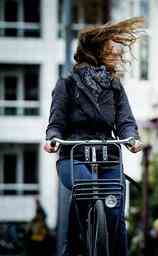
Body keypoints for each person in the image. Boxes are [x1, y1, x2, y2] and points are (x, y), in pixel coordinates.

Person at [43, 17, 144, 256]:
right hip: (73, 153)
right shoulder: (66, 84)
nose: (115, 56)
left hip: (108, 152)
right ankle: (74, 248)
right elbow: (56, 122)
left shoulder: (115, 86)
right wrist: (53, 138)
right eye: (110, 51)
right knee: (86, 188)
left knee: (115, 212)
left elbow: (125, 120)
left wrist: (131, 139)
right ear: (96, 52)